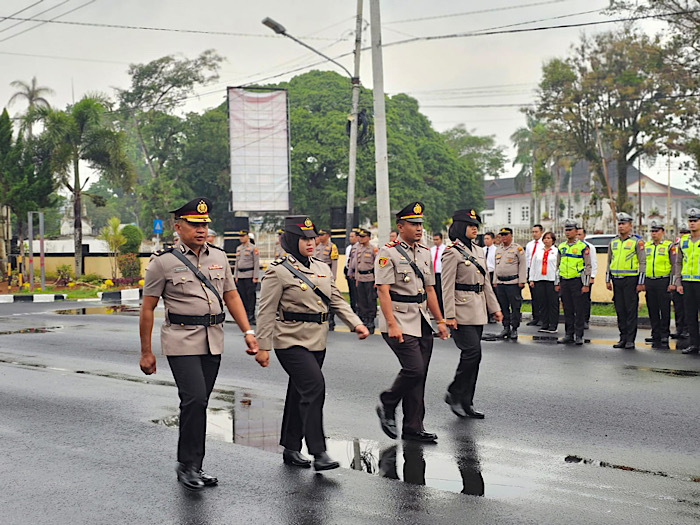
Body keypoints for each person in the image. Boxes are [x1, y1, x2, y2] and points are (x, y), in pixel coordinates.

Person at [139, 197, 258, 491]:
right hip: (180, 339)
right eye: (194, 224)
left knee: (199, 403)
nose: (201, 229)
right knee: (193, 399)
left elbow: (231, 296)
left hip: (213, 340)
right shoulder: (162, 263)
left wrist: (248, 331)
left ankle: (196, 464)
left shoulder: (218, 257)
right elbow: (147, 308)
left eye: (204, 224)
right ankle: (187, 465)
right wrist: (146, 352)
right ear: (177, 227)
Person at [255, 216, 369, 470]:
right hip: (289, 340)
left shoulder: (322, 267)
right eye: (304, 239)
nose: (310, 243)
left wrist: (355, 323)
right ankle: (319, 452)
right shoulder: (278, 270)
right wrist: (263, 346)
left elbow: (336, 299)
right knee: (314, 387)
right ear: (293, 241)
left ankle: (291, 447)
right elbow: (265, 311)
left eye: (312, 238)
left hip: (317, 339)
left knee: (299, 392)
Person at [374, 201, 448, 444]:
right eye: (413, 224)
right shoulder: (388, 252)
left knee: (420, 374)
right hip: (398, 318)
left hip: (421, 319)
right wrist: (391, 323)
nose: (419, 228)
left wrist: (440, 320)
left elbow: (430, 290)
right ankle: (388, 401)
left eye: (420, 224)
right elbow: (383, 292)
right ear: (400, 226)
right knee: (414, 369)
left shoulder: (425, 252)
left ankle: (413, 426)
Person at [441, 209, 502, 419]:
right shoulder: (451, 252)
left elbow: (485, 283)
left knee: (475, 357)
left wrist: (495, 308)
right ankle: (454, 393)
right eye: (470, 224)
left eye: (476, 225)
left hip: (477, 309)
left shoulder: (478, 250)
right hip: (460, 309)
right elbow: (446, 286)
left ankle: (467, 403)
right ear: (459, 226)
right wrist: (449, 315)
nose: (475, 228)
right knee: (472, 353)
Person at [606, 212, 646, 349]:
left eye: (624, 224)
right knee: (620, 310)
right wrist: (607, 279)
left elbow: (642, 262)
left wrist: (641, 282)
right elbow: (609, 261)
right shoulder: (613, 242)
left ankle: (630, 339)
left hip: (631, 280)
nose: (621, 226)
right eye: (619, 224)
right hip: (617, 280)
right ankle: (622, 337)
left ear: (630, 225)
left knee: (630, 310)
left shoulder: (637, 241)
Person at [556, 221, 592, 345]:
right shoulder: (561, 247)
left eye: (570, 230)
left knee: (579, 309)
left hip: (577, 281)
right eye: (566, 230)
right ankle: (568, 334)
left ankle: (579, 335)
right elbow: (558, 265)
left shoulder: (583, 247)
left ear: (576, 232)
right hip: (564, 281)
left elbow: (588, 266)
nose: (568, 232)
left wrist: (586, 284)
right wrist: (557, 282)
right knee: (567, 309)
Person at [641, 221, 674, 349]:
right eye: (652, 231)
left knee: (664, 309)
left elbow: (673, 265)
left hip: (663, 280)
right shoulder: (646, 246)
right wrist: (642, 281)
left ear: (662, 232)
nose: (654, 234)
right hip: (650, 280)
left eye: (657, 231)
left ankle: (665, 334)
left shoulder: (668, 246)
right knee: (652, 308)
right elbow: (643, 264)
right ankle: (655, 334)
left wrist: (672, 283)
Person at [673, 209, 700, 355]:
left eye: (695, 221)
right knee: (690, 315)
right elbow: (678, 263)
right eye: (690, 221)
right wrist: (678, 282)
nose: (692, 223)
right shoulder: (683, 241)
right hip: (687, 282)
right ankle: (694, 344)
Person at [492, 227, 527, 340]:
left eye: (505, 235)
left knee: (515, 306)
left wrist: (522, 280)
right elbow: (496, 266)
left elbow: (522, 265)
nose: (503, 237)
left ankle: (514, 328)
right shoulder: (498, 249)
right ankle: (505, 327)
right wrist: (495, 280)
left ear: (511, 235)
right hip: (501, 282)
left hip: (513, 282)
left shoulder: (517, 248)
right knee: (503, 306)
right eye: (501, 235)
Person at [529, 231, 559, 334]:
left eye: (549, 238)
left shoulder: (556, 251)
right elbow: (533, 265)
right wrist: (531, 278)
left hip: (551, 280)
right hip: (539, 279)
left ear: (553, 240)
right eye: (545, 238)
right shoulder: (538, 251)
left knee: (552, 303)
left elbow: (558, 266)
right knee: (542, 303)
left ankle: (553, 325)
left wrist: (558, 280)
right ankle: (544, 323)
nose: (546, 240)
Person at [314, 228, 340, 331]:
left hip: (327, 274)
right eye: (319, 235)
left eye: (322, 235)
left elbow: (334, 262)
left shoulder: (332, 247)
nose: (320, 236)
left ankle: (331, 319)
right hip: (317, 275)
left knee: (328, 297)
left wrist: (333, 277)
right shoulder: (317, 246)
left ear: (328, 235)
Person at [353, 228, 378, 333]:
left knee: (370, 300)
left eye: (363, 237)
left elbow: (377, 266)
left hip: (370, 277)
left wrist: (377, 280)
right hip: (361, 278)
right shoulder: (359, 249)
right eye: (360, 237)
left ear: (368, 238)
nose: (360, 239)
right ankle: (364, 319)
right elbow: (357, 266)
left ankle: (371, 320)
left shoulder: (373, 249)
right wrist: (357, 278)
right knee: (361, 300)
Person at [234, 230, 260, 325]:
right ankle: (245, 315)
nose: (241, 238)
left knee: (250, 296)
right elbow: (237, 263)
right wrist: (235, 275)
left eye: (243, 236)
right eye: (240, 236)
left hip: (249, 274)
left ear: (247, 237)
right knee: (242, 296)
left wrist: (255, 276)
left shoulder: (253, 248)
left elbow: (256, 263)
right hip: (240, 276)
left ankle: (251, 316)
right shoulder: (239, 248)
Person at [670, 225, 689, 340]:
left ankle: (687, 329)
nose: (683, 235)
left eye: (685, 232)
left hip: (689, 280)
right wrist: (673, 282)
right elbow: (673, 266)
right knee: (678, 307)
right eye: (682, 232)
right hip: (676, 280)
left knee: (688, 308)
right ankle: (679, 328)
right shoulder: (674, 247)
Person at [577, 228, 597, 329]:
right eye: (576, 234)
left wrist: (592, 276)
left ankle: (585, 320)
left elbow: (593, 262)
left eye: (580, 234)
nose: (578, 237)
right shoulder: (572, 247)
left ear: (584, 235)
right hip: (575, 276)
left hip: (586, 276)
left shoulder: (589, 247)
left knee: (585, 299)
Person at [525, 224, 544, 326]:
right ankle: (535, 317)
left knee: (540, 296)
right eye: (533, 232)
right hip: (530, 271)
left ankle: (542, 317)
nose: (534, 234)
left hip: (540, 271)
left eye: (536, 232)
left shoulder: (543, 244)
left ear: (541, 232)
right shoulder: (529, 245)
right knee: (534, 296)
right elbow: (527, 259)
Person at [430, 232, 446, 316]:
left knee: (441, 293)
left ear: (441, 239)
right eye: (434, 239)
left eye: (437, 239)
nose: (435, 241)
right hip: (433, 274)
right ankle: (437, 312)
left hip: (442, 274)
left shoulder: (445, 249)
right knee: (434, 293)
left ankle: (443, 311)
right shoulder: (431, 250)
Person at [483, 232, 497, 323]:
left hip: (492, 273)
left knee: (491, 295)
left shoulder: (496, 250)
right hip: (484, 273)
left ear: (493, 240)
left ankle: (492, 314)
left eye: (488, 239)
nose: (485, 241)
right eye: (485, 239)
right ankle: (486, 315)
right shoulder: (482, 250)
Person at [345, 229, 360, 314]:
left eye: (352, 236)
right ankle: (353, 309)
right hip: (349, 271)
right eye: (349, 236)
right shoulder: (348, 248)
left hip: (356, 273)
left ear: (357, 237)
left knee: (357, 294)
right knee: (351, 293)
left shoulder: (358, 247)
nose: (350, 238)